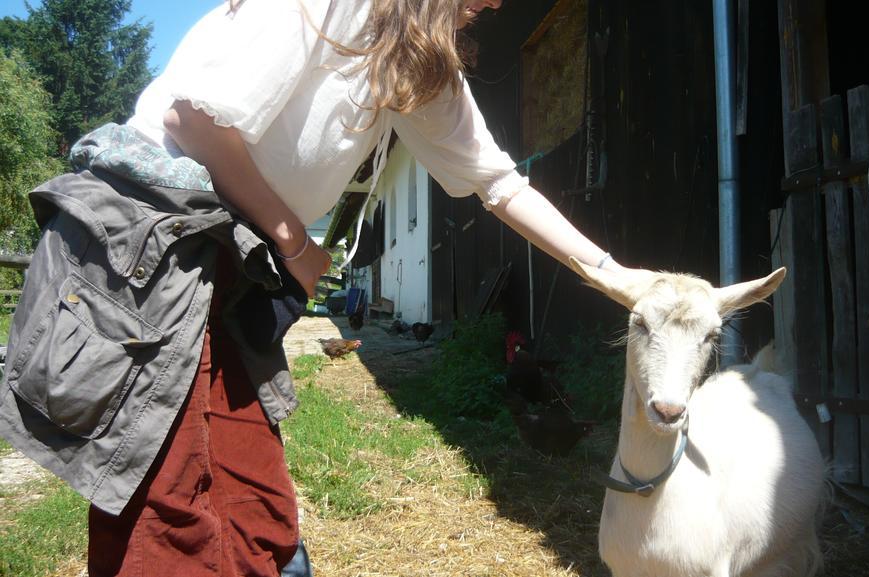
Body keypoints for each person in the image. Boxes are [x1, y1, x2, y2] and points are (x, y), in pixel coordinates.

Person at [2, 0, 625, 575]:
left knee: (260, 511)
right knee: (168, 524)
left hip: (226, 267)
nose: (495, 4)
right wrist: (295, 245)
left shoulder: (417, 60)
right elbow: (192, 119)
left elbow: (500, 185)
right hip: (149, 249)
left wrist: (617, 276)